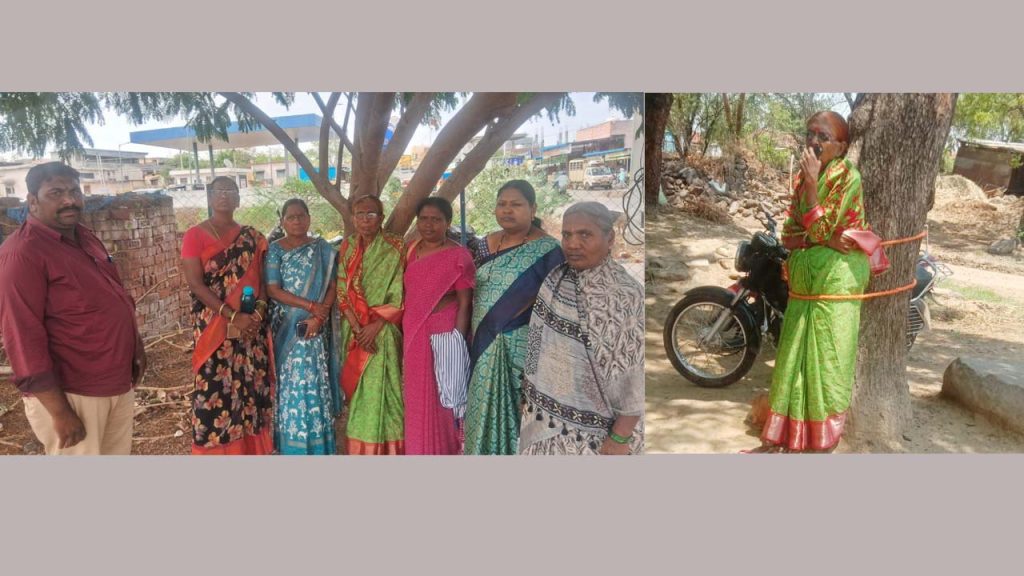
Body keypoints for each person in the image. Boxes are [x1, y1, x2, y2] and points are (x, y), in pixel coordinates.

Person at [0, 162, 145, 455]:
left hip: (114, 381)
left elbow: (114, 298)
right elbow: (22, 337)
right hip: (73, 393)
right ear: (32, 201)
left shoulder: (84, 236)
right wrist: (59, 412)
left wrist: (136, 347)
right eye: (56, 192)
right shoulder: (23, 254)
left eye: (74, 191)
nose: (69, 200)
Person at [754, 111, 870, 453]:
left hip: (836, 283)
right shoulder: (803, 178)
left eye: (823, 137)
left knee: (827, 360)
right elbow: (791, 235)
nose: (814, 143)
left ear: (842, 146)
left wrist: (811, 189)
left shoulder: (847, 177)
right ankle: (793, 431)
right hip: (805, 282)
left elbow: (818, 229)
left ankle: (822, 437)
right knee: (794, 355)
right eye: (810, 134)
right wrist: (819, 237)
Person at [518, 202, 644, 455]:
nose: (573, 244)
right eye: (567, 235)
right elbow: (536, 339)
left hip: (600, 436)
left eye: (585, 234)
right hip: (544, 421)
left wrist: (620, 438)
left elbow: (633, 376)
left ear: (609, 238)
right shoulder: (555, 278)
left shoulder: (625, 295)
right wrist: (528, 392)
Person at [463, 180, 565, 455]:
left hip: (524, 351)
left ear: (532, 208)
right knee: (480, 414)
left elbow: (555, 314)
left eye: (516, 204)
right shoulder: (484, 245)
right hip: (483, 347)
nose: (507, 210)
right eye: (502, 204)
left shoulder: (550, 251)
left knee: (522, 420)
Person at [181, 176, 273, 455]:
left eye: (230, 190)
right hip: (213, 325)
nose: (224, 195)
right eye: (218, 191)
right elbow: (196, 284)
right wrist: (232, 316)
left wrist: (257, 312)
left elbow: (264, 281)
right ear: (209, 197)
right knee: (214, 391)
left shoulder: (254, 237)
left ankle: (251, 450)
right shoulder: (194, 236)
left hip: (250, 327)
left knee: (250, 386)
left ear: (238, 198)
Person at [265, 198, 342, 455]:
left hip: (314, 328)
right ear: (282, 221)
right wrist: (310, 306)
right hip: (287, 330)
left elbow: (332, 286)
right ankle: (292, 445)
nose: (296, 220)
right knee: (290, 384)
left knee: (314, 379)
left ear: (309, 218)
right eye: (291, 217)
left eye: (301, 215)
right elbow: (272, 289)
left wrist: (319, 317)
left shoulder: (323, 249)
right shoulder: (275, 250)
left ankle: (319, 443)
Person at [402, 197, 475, 455]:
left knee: (443, 392)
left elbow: (465, 303)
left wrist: (457, 339)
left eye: (436, 219)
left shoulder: (459, 256)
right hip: (413, 331)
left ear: (448, 222)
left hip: (443, 331)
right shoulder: (410, 251)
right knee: (417, 394)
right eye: (423, 219)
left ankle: (444, 449)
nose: (429, 225)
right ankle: (418, 448)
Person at [336, 194, 405, 455]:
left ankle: (390, 449)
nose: (365, 219)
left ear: (381, 218)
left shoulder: (395, 246)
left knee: (386, 391)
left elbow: (399, 294)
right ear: (353, 218)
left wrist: (374, 327)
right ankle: (360, 448)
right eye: (360, 214)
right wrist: (357, 328)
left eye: (371, 214)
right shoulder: (348, 246)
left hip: (383, 331)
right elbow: (341, 291)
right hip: (354, 333)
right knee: (360, 393)